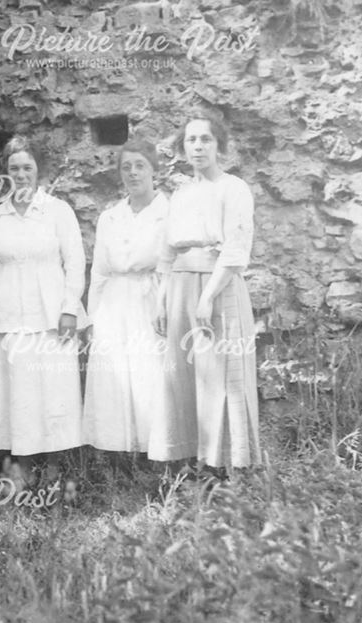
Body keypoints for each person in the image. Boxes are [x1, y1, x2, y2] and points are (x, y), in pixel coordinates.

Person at [0, 135, 87, 471]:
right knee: (14, 392)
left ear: (38, 171)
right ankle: (20, 469)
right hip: (6, 315)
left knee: (51, 388)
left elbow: (74, 263)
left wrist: (68, 309)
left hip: (50, 315)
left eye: (27, 167)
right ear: (5, 172)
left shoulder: (58, 211)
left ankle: (57, 469)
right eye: (13, 168)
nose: (20, 174)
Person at [149, 115, 261, 472]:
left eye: (206, 140)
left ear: (219, 146)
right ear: (183, 148)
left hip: (218, 287)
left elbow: (235, 249)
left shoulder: (233, 188)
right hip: (181, 288)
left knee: (222, 375)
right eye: (191, 140)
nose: (198, 146)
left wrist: (208, 297)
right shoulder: (181, 194)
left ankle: (226, 465)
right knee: (182, 374)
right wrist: (162, 299)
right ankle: (190, 463)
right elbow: (167, 253)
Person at [82, 140, 168, 458]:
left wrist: (166, 304)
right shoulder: (111, 217)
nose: (133, 173)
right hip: (114, 303)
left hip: (152, 300)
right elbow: (100, 273)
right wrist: (93, 318)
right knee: (113, 375)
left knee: (151, 375)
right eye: (126, 167)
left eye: (140, 165)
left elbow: (174, 267)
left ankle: (158, 453)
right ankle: (117, 453)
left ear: (154, 169)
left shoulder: (168, 212)